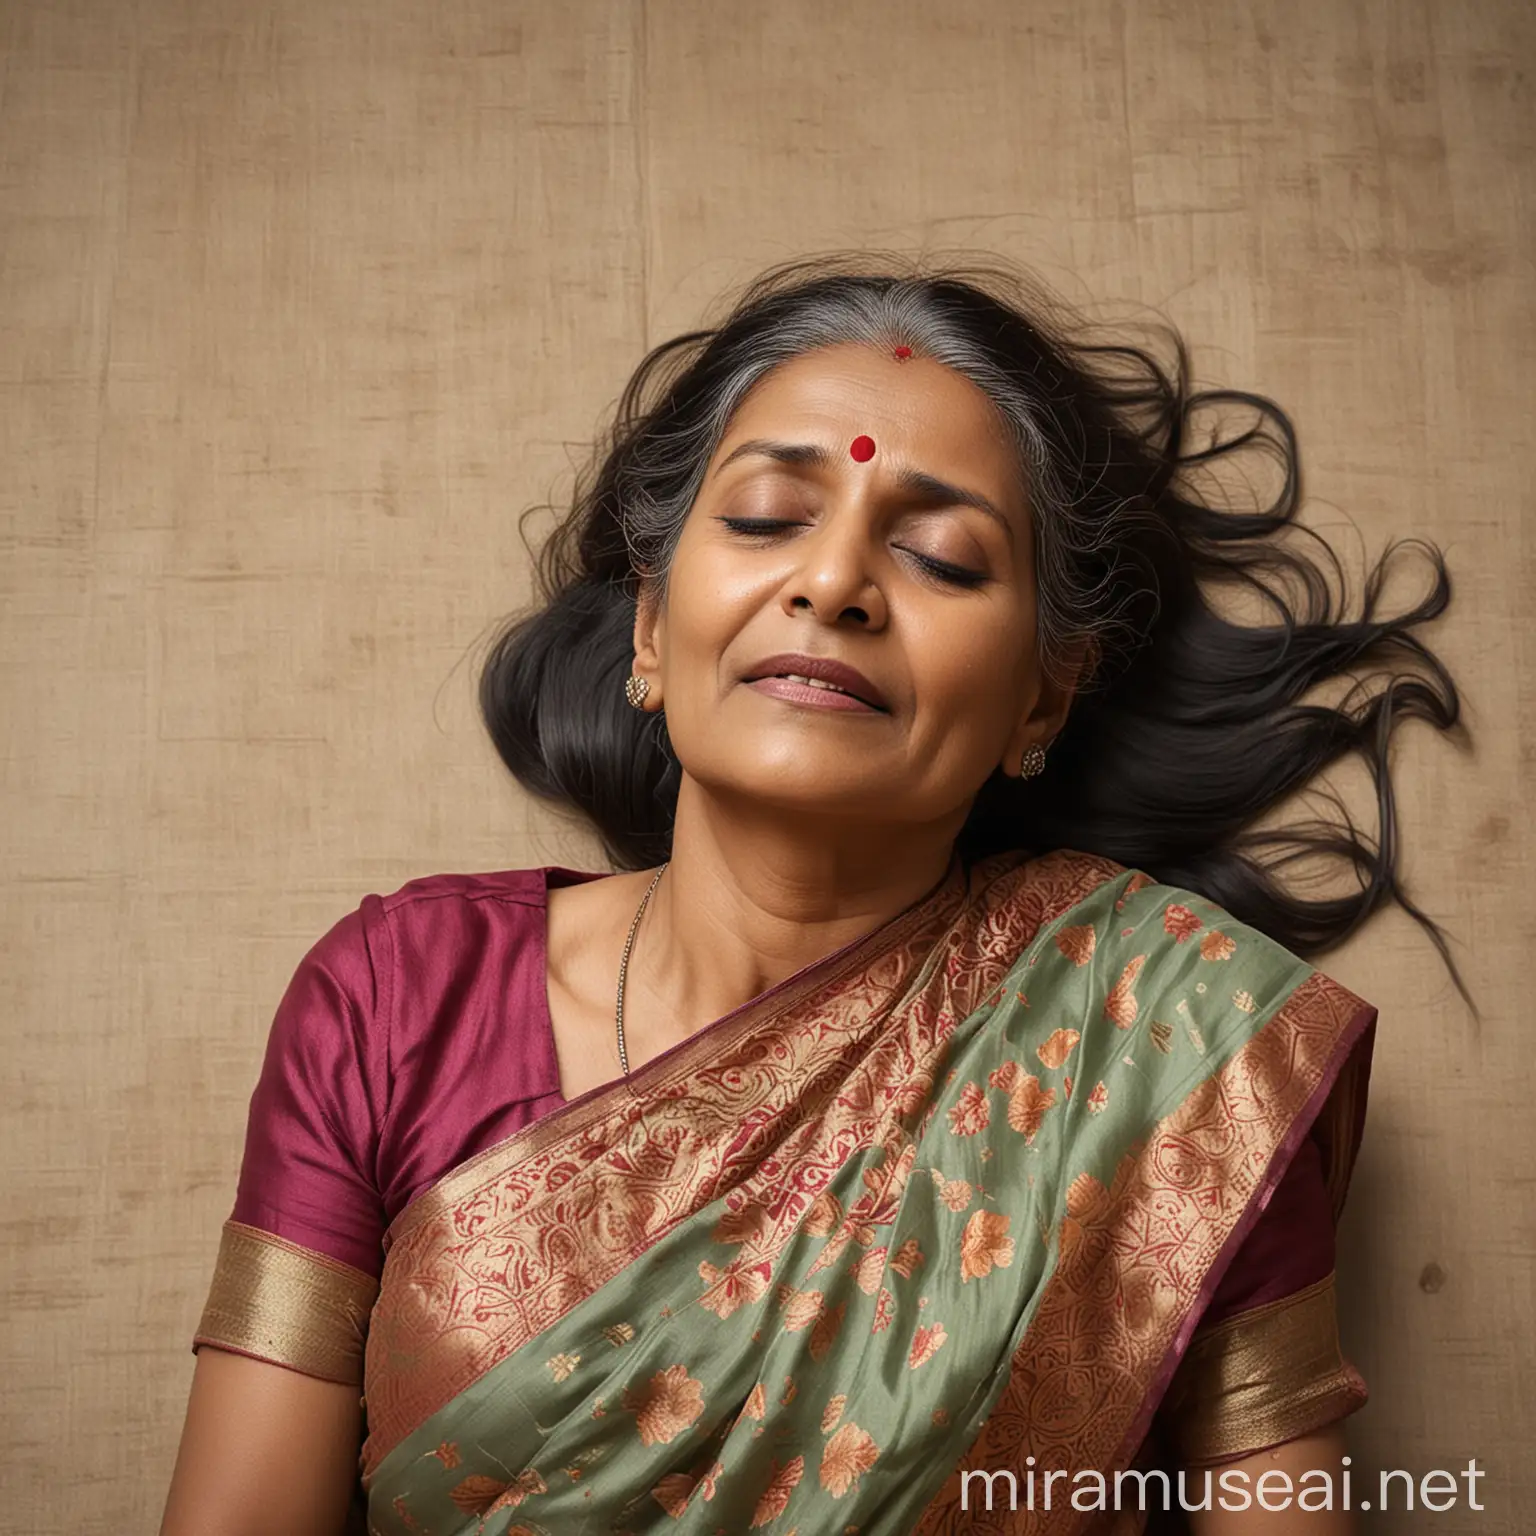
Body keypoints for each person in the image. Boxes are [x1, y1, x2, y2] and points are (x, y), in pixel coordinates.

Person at [160, 256, 1471, 1535]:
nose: (835, 583)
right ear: (651, 630)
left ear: (1044, 693)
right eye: (768, 518)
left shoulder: (1171, 1056)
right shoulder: (399, 999)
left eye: (945, 558)